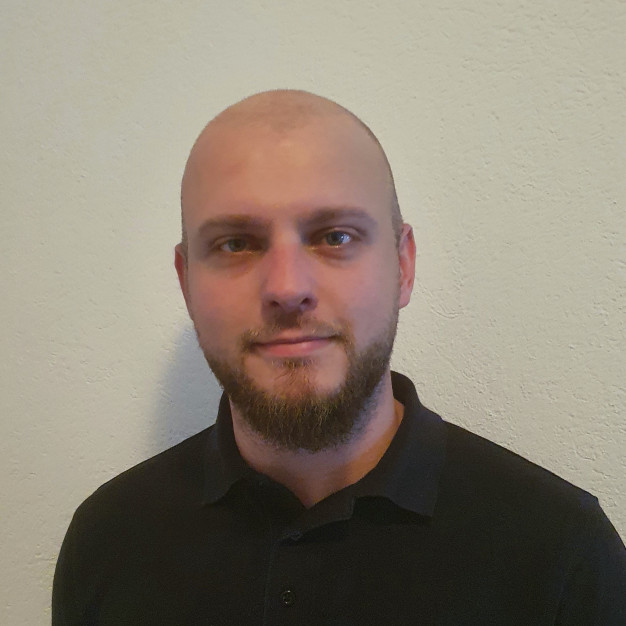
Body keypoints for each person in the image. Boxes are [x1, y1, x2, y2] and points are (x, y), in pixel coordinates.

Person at [52, 90, 626, 625]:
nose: (287, 287)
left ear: (403, 265)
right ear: (186, 282)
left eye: (335, 236)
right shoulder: (108, 540)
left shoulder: (561, 556)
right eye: (236, 243)